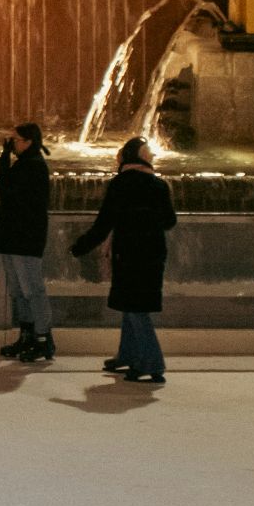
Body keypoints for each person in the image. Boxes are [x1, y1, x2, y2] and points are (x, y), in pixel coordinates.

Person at [71, 138, 177, 384]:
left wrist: (80, 247)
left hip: (129, 253)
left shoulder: (120, 184)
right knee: (132, 307)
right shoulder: (159, 185)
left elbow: (104, 222)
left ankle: (152, 363)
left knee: (135, 308)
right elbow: (169, 221)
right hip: (152, 253)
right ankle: (127, 355)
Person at [0, 123, 55, 362]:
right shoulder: (24, 164)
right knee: (19, 291)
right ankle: (27, 335)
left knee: (32, 289)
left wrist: (4, 160)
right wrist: (6, 157)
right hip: (13, 235)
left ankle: (42, 338)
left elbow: (9, 190)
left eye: (16, 140)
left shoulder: (34, 166)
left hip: (24, 237)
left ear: (29, 142)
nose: (13, 144)